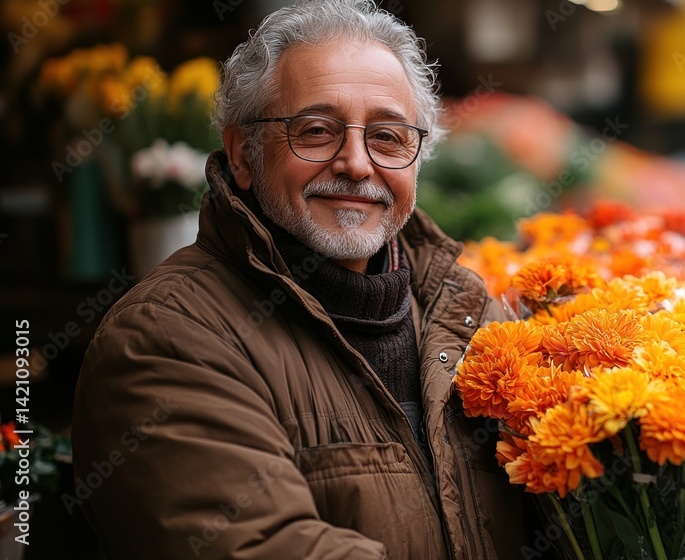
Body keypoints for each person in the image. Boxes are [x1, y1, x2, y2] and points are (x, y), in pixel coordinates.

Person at [71, 1, 524, 558]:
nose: (357, 163)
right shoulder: (163, 338)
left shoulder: (471, 315)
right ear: (243, 154)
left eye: (387, 136)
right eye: (315, 131)